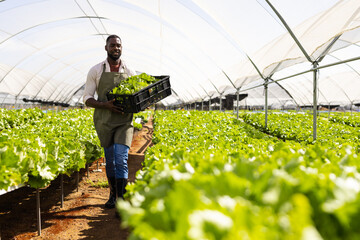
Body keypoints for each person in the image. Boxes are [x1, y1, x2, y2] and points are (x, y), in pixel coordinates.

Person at [83, 34, 135, 209]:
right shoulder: (96, 70)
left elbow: (135, 96)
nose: (116, 48)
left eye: (118, 45)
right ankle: (113, 194)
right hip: (104, 121)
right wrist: (104, 104)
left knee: (121, 159)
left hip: (123, 122)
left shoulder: (129, 71)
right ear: (106, 48)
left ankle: (121, 200)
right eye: (112, 45)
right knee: (110, 160)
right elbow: (87, 98)